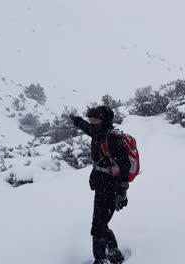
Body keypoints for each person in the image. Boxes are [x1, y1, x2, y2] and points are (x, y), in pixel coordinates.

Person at [70, 106, 130, 264]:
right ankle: (114, 252)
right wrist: (77, 120)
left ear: (105, 120)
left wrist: (122, 190)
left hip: (111, 187)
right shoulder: (97, 132)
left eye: (95, 119)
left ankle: (101, 259)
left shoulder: (112, 138)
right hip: (100, 185)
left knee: (98, 226)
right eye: (91, 119)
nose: (92, 122)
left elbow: (124, 166)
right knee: (100, 223)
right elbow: (86, 127)